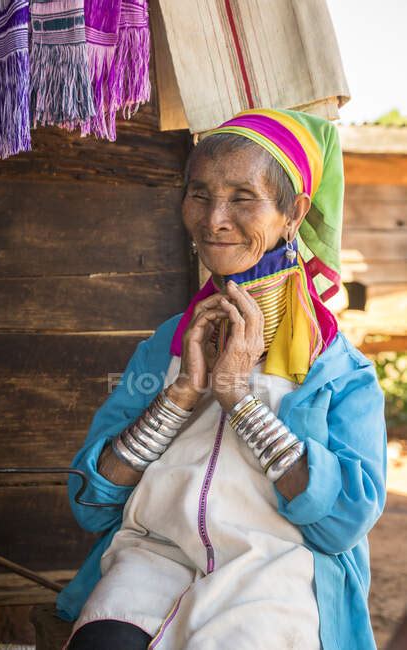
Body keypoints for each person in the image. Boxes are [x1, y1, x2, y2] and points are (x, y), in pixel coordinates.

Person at [59, 108, 387, 650]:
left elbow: (339, 526)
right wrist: (182, 393)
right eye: (199, 193)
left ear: (293, 213)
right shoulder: (165, 347)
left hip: (276, 570)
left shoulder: (339, 371)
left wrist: (239, 399)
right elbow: (91, 504)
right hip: (152, 556)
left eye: (241, 197)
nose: (213, 219)